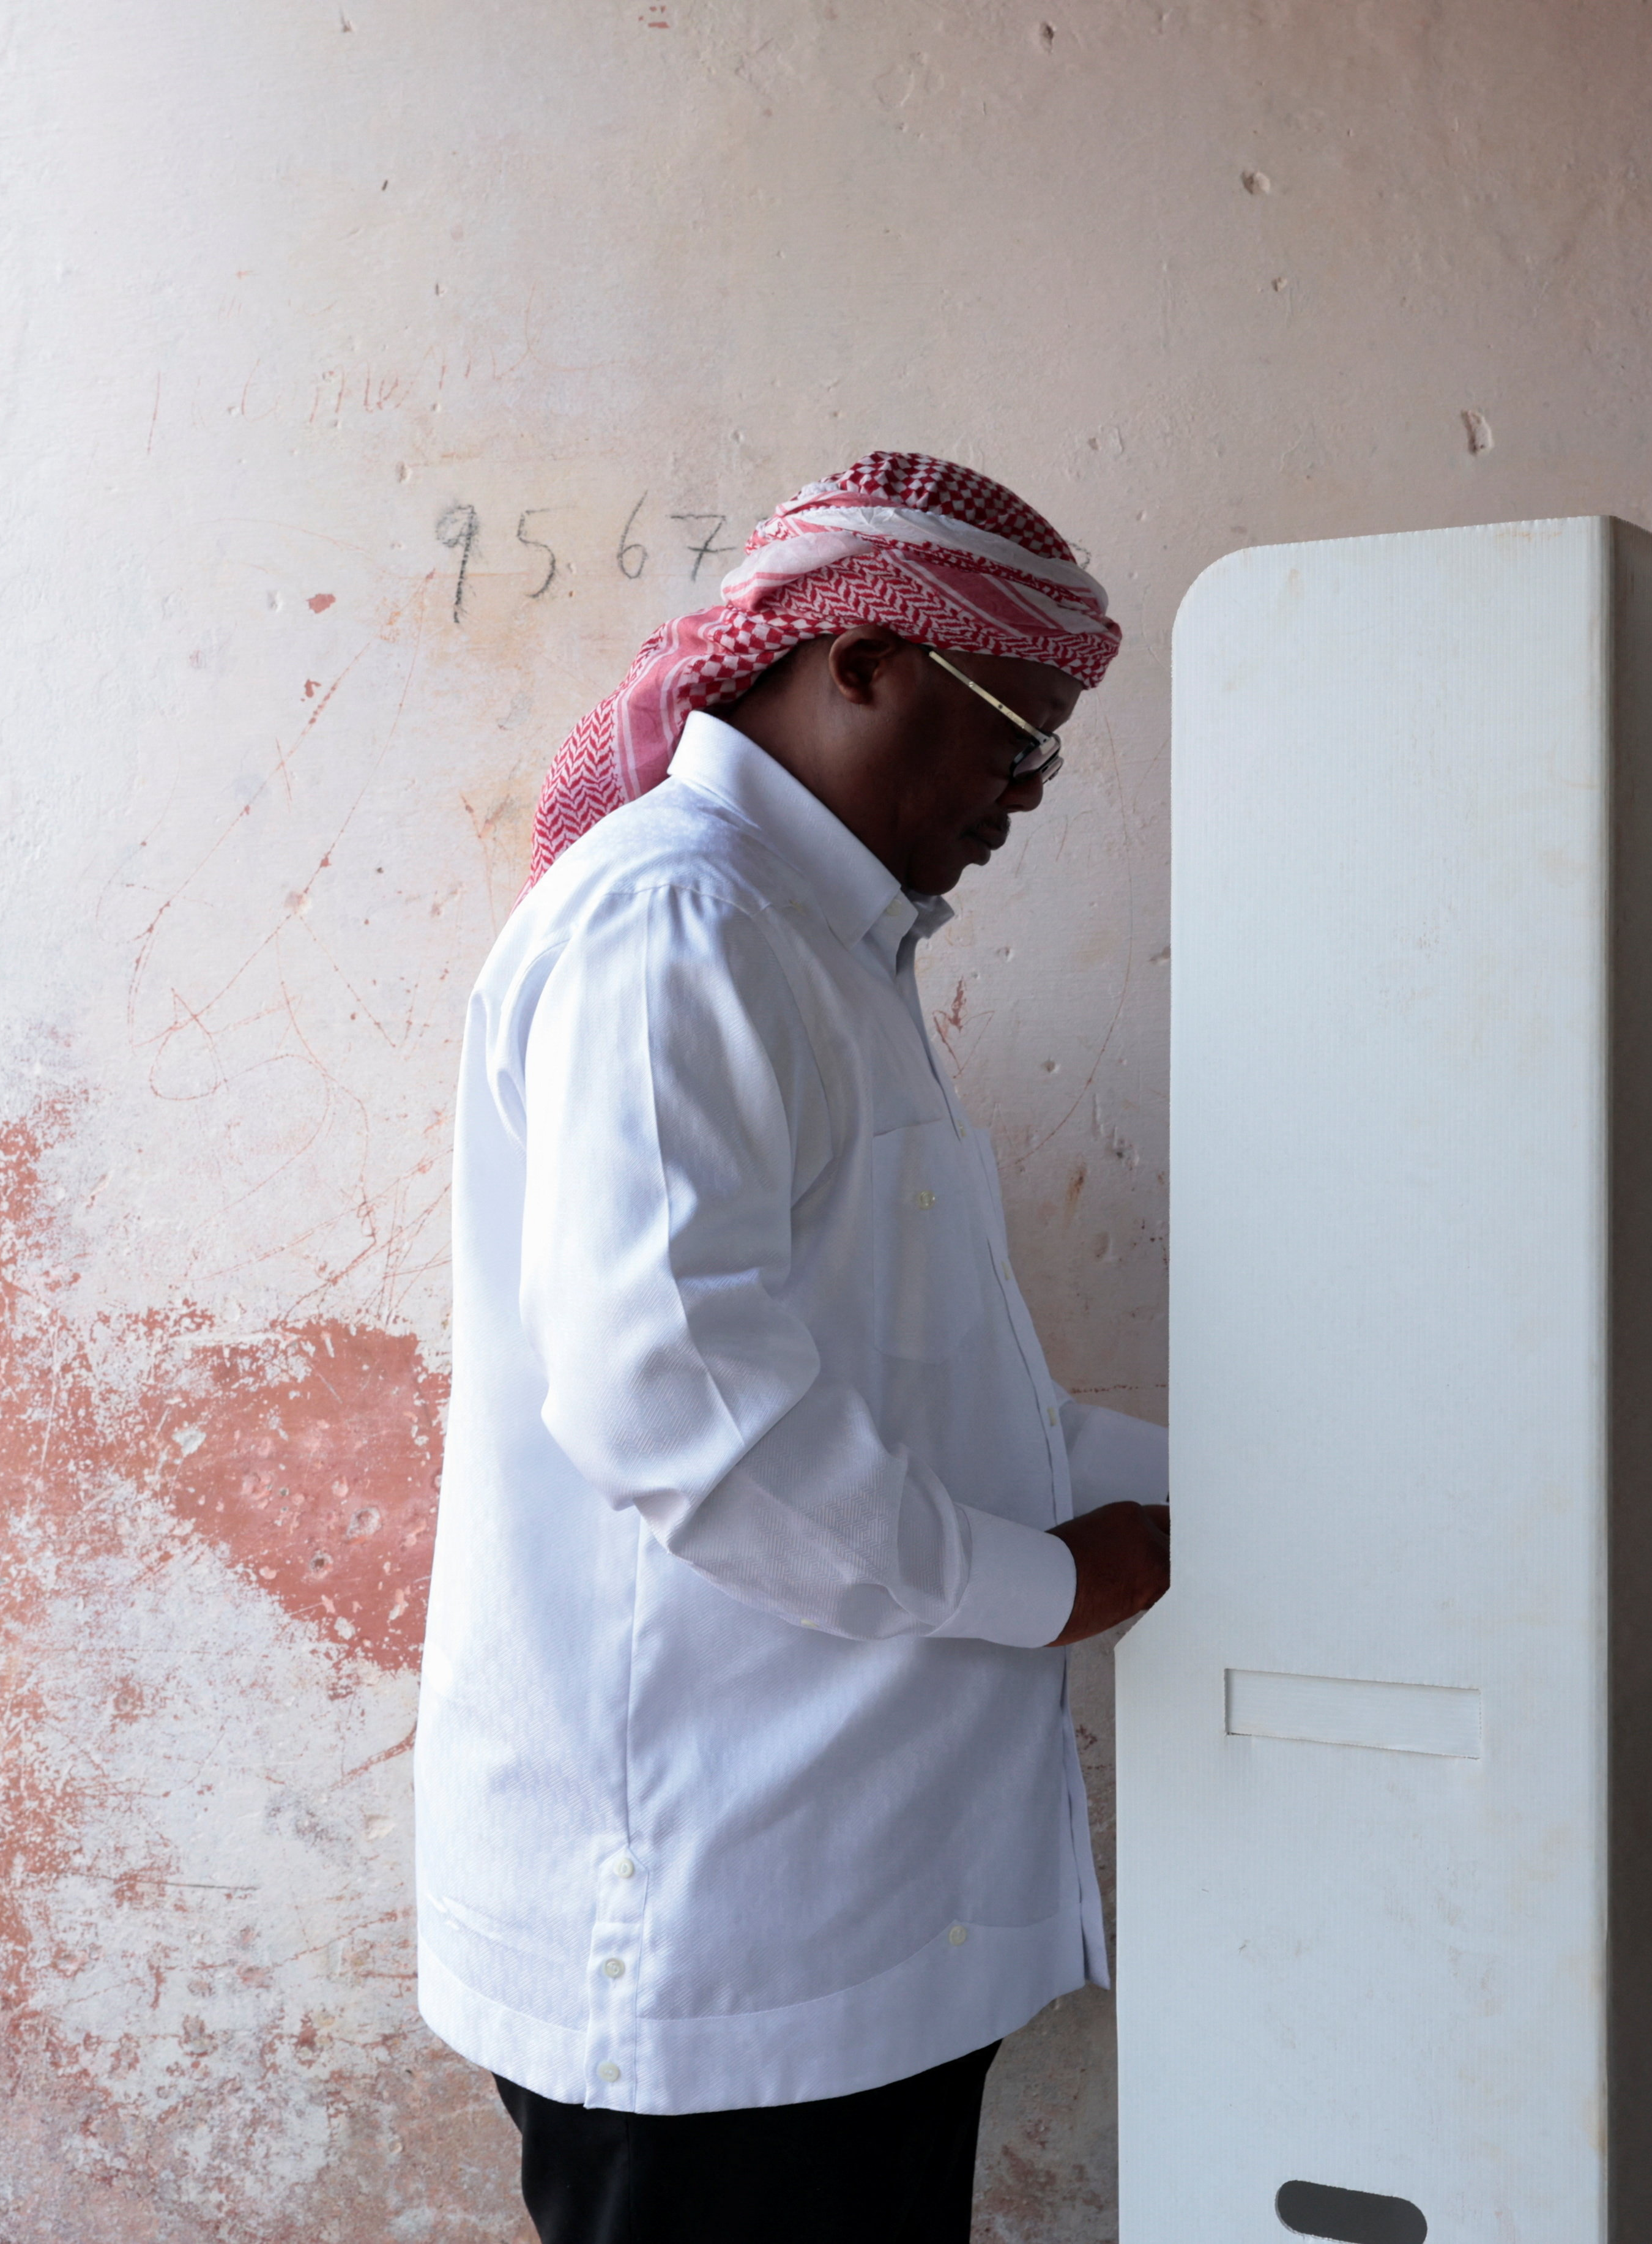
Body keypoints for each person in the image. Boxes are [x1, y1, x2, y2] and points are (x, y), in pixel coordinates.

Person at [417, 452, 1175, 2244]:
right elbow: (681, 1411)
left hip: (841, 1910)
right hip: (712, 1930)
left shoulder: (820, 951)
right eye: (1016, 739)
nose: (1025, 800)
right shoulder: (677, 925)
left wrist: (1221, 1497)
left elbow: (935, 1394)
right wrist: (1046, 1584)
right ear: (857, 665)